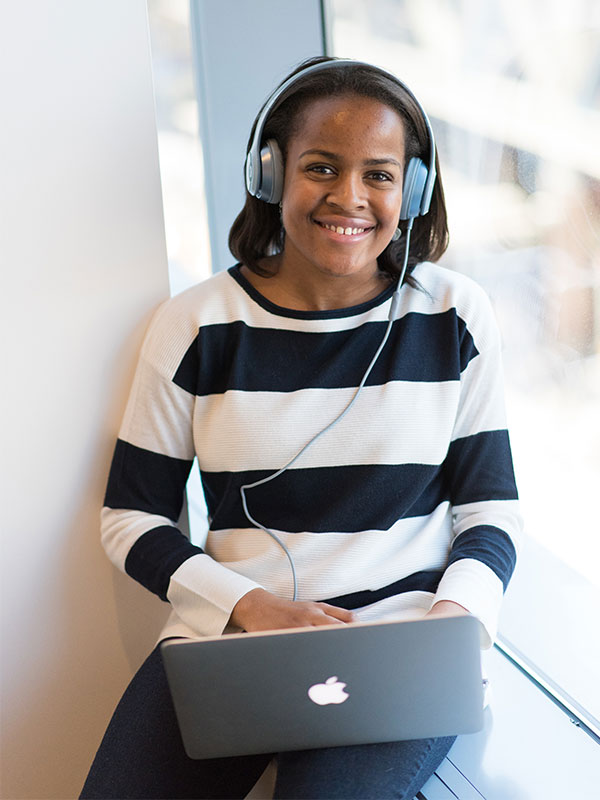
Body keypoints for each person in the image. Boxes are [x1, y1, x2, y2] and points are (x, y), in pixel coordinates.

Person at [80, 56, 521, 799]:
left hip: (399, 646)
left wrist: (446, 626)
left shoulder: (453, 315)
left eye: (379, 174)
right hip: (231, 640)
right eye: (321, 167)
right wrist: (250, 608)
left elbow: (491, 515)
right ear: (270, 172)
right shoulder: (197, 324)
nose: (349, 197)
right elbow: (132, 517)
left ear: (411, 188)